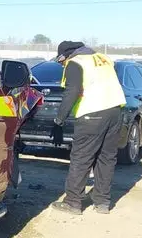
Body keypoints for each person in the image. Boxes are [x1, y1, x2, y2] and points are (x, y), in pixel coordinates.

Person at [50, 41, 126, 215]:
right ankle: (102, 202)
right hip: (115, 112)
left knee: (81, 157)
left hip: (92, 113)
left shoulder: (76, 63)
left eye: (61, 60)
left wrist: (59, 120)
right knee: (106, 158)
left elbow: (72, 91)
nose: (62, 64)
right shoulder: (103, 58)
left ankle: (73, 203)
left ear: (67, 55)